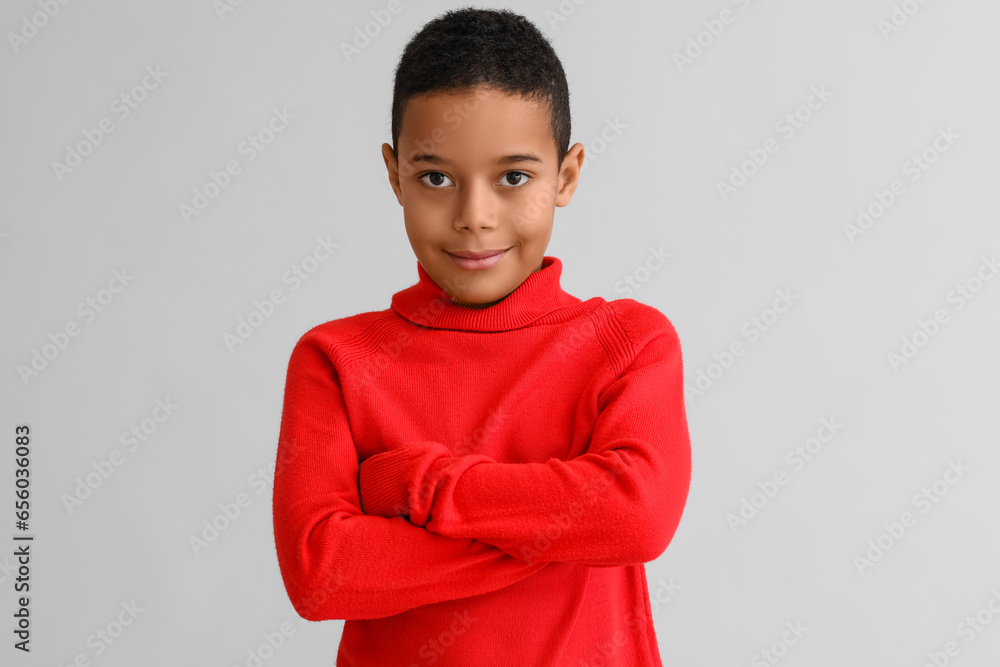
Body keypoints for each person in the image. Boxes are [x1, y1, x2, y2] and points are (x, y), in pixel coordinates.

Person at [271, 7, 691, 665]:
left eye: (513, 177)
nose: (474, 216)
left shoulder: (630, 343)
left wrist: (418, 487)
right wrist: (559, 531)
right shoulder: (335, 360)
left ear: (567, 176)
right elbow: (321, 574)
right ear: (394, 174)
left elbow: (636, 516)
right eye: (436, 177)